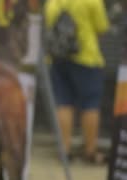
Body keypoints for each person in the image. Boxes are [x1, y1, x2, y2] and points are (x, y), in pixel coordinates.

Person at [45, 0, 109, 164]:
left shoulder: (53, 2)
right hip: (86, 58)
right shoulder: (92, 1)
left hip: (57, 59)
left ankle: (64, 151)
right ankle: (90, 151)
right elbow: (101, 28)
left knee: (63, 103)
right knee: (90, 104)